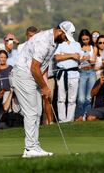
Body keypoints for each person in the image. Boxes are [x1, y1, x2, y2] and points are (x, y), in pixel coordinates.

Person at [11, 20, 75, 158]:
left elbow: (43, 65)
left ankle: (34, 145)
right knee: (31, 112)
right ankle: (29, 149)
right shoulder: (43, 41)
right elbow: (34, 67)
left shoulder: (55, 42)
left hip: (31, 76)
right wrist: (44, 87)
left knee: (38, 111)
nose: (65, 40)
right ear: (60, 31)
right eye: (65, 36)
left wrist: (44, 86)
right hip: (22, 75)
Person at [54, 31, 82, 123]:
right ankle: (62, 119)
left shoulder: (77, 44)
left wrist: (64, 55)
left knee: (72, 99)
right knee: (61, 98)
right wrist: (71, 55)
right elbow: (57, 58)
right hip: (62, 73)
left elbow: (78, 57)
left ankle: (69, 119)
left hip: (73, 74)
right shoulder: (60, 44)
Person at [75, 29, 96, 121]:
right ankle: (79, 115)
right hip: (82, 72)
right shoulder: (78, 48)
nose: (85, 41)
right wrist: (82, 59)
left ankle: (87, 115)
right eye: (83, 39)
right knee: (81, 98)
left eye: (87, 39)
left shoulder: (93, 48)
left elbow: (94, 62)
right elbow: (76, 61)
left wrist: (89, 59)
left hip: (91, 72)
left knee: (89, 97)